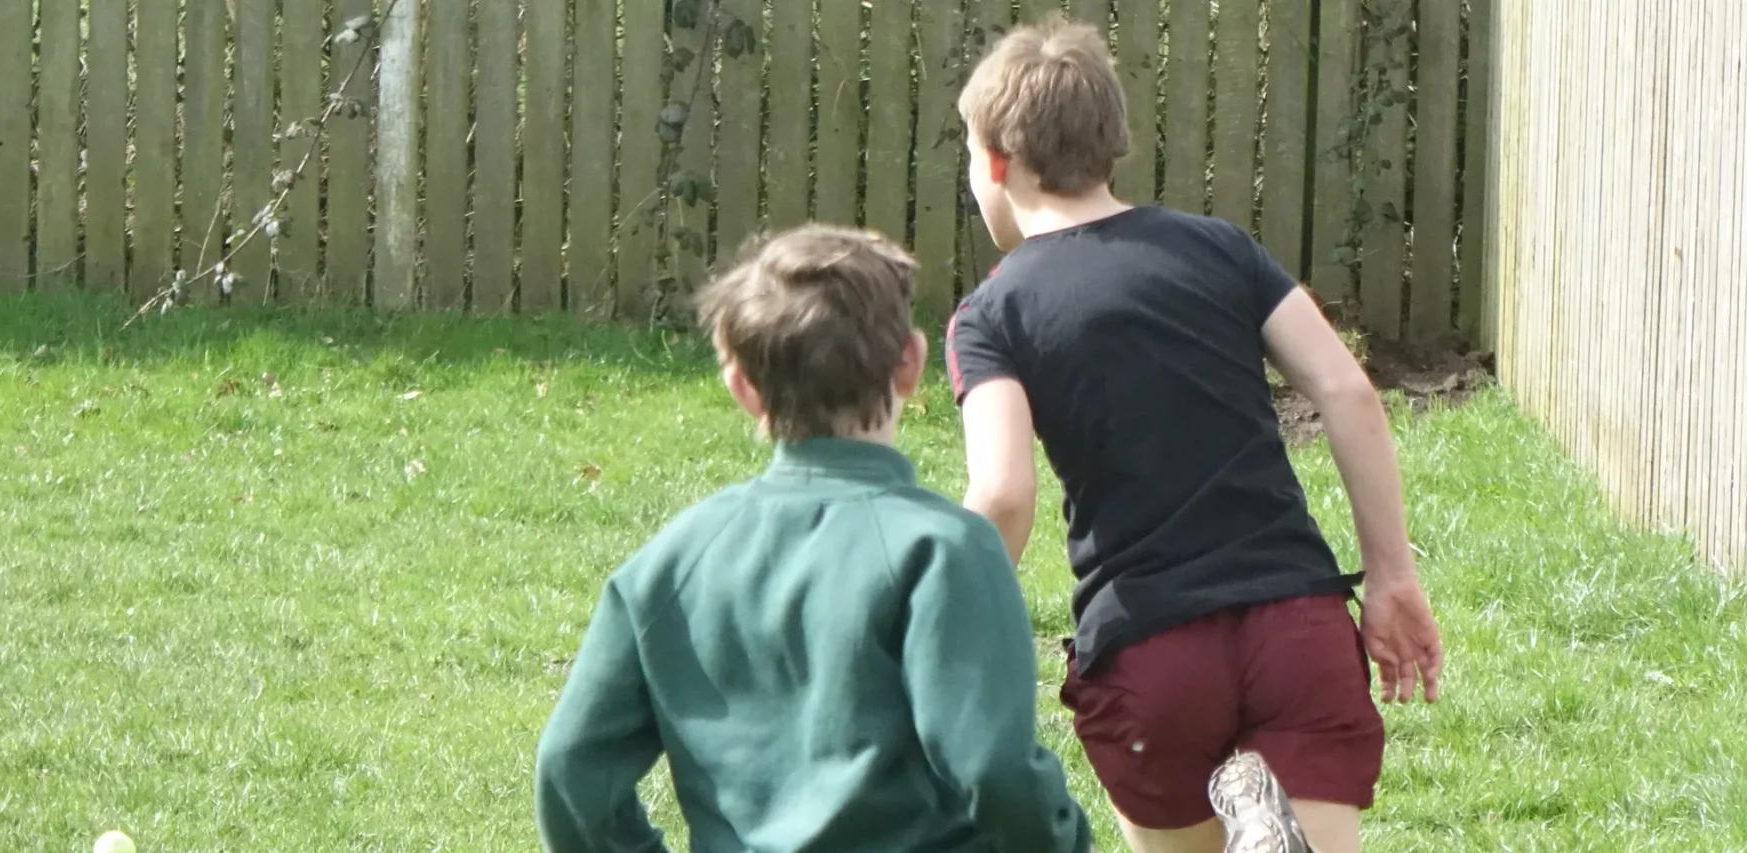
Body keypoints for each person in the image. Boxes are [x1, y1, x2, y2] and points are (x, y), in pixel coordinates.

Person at [943, 15, 1446, 853]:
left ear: (994, 162)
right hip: (1296, 624)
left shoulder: (993, 313)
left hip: (1150, 652)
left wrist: (945, 633)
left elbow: (1001, 494)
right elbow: (1346, 390)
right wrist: (1391, 575)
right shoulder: (1220, 249)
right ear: (1111, 144)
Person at [533, 225, 1093, 853]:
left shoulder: (672, 561)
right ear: (910, 363)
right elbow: (993, 771)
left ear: (742, 387)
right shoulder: (945, 552)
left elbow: (569, 771)